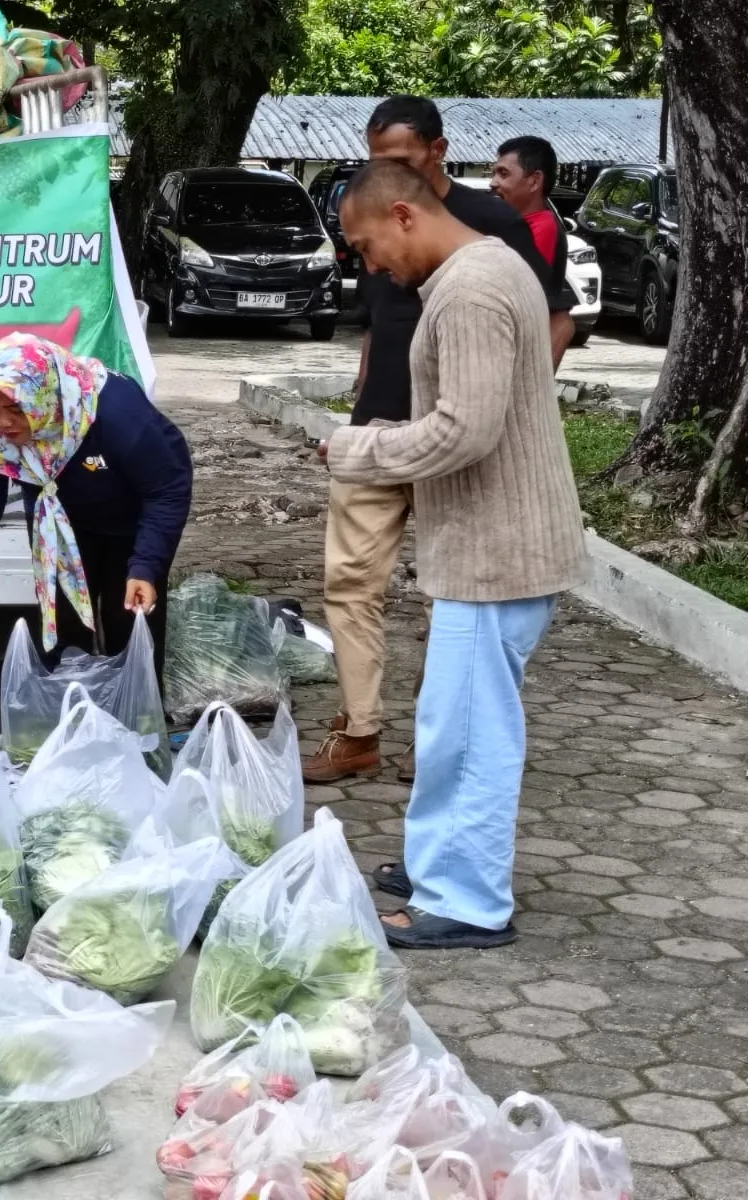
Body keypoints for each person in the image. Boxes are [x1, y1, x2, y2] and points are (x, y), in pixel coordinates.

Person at [323, 159, 587, 949]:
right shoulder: (490, 267)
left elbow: (463, 430)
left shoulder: (469, 290)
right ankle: (437, 857)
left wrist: (357, 449)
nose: (370, 267)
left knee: (468, 731)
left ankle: (465, 899)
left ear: (403, 214)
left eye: (367, 246)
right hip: (496, 543)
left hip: (495, 549)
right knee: (453, 720)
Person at [303, 95, 576, 785]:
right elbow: (377, 329)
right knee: (351, 582)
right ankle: (360, 727)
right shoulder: (388, 230)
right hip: (381, 428)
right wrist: (362, 416)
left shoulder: (482, 241)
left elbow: (550, 320)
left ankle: (440, 738)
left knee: (456, 602)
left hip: (453, 447)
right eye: (375, 161)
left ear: (435, 150)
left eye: (395, 160)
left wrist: (517, 406)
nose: (372, 266)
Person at [0, 333, 192, 682]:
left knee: (131, 629)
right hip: (57, 531)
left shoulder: (115, 413)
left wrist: (147, 565)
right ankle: (73, 719)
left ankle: (141, 725)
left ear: (44, 397)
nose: (3, 423)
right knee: (65, 640)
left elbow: (167, 489)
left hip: (134, 526)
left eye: (17, 409)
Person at [491, 135, 569, 279]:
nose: (492, 182)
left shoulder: (542, 227)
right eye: (494, 174)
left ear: (534, 181)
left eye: (503, 173)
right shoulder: (519, 225)